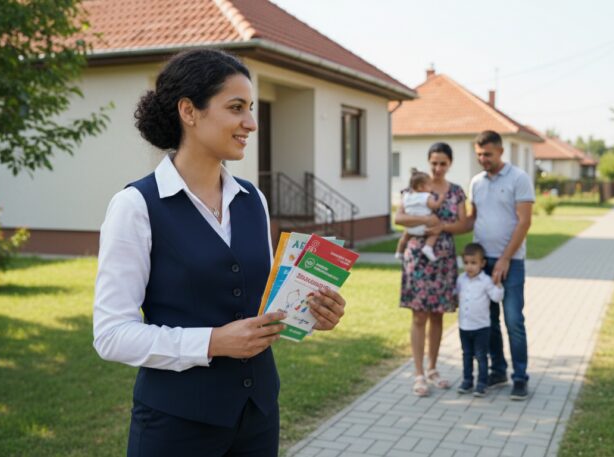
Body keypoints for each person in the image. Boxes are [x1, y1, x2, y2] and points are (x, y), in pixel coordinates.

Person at [92, 49, 347, 457]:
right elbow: (110, 335)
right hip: (177, 426)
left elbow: (255, 303)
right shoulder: (136, 205)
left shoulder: (253, 199)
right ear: (189, 112)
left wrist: (313, 313)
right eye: (236, 108)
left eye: (250, 108)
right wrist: (211, 342)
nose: (251, 122)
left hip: (259, 416)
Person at [395, 142, 469, 397]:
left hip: (443, 256)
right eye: (434, 163)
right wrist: (427, 220)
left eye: (443, 163)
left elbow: (463, 224)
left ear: (450, 164)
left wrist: (441, 229)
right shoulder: (414, 187)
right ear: (428, 163)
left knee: (438, 314)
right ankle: (418, 373)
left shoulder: (457, 192)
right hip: (417, 255)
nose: (438, 168)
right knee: (418, 315)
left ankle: (433, 368)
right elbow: (399, 218)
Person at [468, 130, 535, 401]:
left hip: (512, 261)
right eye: (479, 154)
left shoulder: (519, 178)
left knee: (513, 320)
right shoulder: (476, 182)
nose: (483, 159)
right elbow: (473, 219)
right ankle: (497, 370)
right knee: (489, 321)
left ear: (500, 151)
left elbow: (525, 222)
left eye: (488, 154)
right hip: (483, 262)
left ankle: (520, 377)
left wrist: (506, 258)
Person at [455, 243, 504, 397]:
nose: (469, 267)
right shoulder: (461, 279)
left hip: (481, 327)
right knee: (466, 355)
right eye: (466, 263)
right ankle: (467, 381)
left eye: (474, 263)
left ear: (482, 263)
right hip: (464, 326)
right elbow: (456, 296)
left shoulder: (486, 281)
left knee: (481, 356)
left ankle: (481, 383)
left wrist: (498, 285)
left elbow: (496, 298)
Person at [394, 169, 444, 262]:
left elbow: (401, 211)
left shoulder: (406, 196)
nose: (431, 187)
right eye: (429, 185)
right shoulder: (426, 196)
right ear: (421, 187)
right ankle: (428, 247)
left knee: (404, 237)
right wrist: (440, 199)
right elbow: (434, 206)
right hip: (424, 228)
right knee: (435, 232)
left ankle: (399, 252)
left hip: (410, 228)